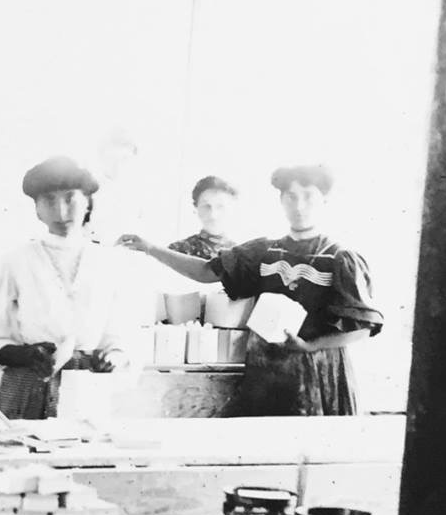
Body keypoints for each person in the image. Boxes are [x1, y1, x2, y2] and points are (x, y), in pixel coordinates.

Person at [119, 162, 380, 416]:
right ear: (281, 201)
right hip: (265, 374)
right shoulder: (264, 251)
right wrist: (150, 248)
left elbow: (362, 328)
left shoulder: (340, 258)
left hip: (318, 375)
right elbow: (206, 271)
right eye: (291, 197)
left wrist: (310, 346)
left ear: (325, 201)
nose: (299, 206)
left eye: (308, 197)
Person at [0, 155, 156, 419]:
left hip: (85, 386)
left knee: (81, 444)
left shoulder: (110, 263)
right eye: (49, 200)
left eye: (70, 198)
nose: (61, 212)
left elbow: (124, 332)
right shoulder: (15, 262)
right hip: (26, 383)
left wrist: (114, 356)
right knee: (19, 444)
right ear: (37, 210)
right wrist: (26, 355)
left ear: (87, 202)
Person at [169, 175, 239, 260]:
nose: (213, 214)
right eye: (206, 206)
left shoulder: (241, 255)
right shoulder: (176, 251)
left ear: (231, 209)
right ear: (196, 208)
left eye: (220, 206)